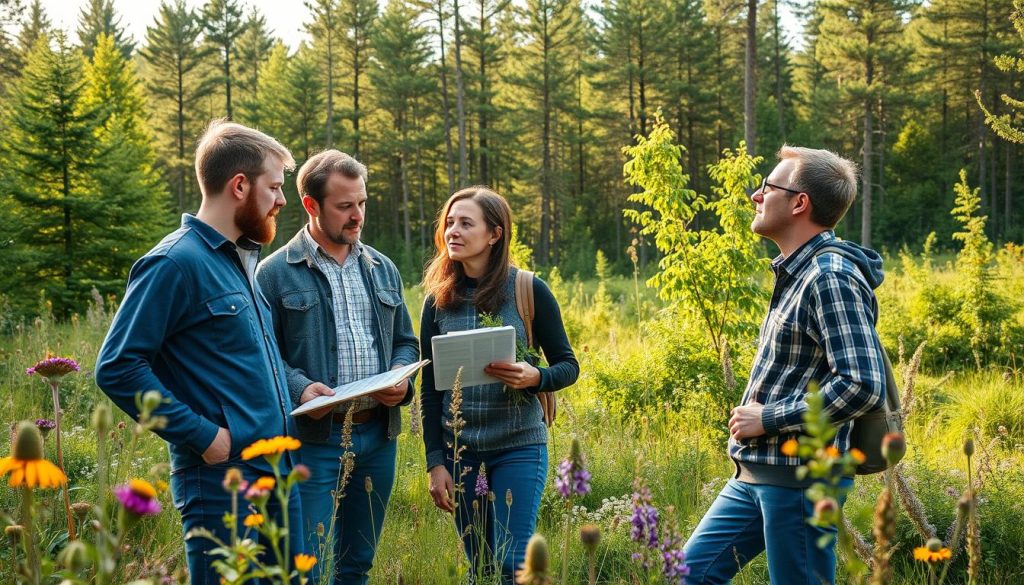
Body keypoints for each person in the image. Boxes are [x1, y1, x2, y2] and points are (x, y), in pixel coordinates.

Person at [95, 120, 303, 585]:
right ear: (240, 185)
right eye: (273, 187)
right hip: (221, 484)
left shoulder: (237, 261)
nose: (281, 200)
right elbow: (117, 366)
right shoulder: (173, 262)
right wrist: (205, 437)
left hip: (275, 474)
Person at [682, 146, 887, 584]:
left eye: (767, 187)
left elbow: (862, 384)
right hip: (759, 473)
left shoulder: (829, 276)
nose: (756, 196)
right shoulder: (800, 272)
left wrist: (768, 418)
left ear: (799, 203)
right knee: (685, 575)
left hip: (799, 480)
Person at [256, 150, 419, 585]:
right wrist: (300, 387)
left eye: (362, 203)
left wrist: (403, 381)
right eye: (345, 206)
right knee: (307, 567)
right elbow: (263, 354)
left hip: (378, 436)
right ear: (311, 206)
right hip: (314, 440)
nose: (357, 216)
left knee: (356, 564)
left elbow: (405, 340)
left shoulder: (382, 267)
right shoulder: (273, 275)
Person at [420, 186, 579, 583]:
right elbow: (429, 389)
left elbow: (568, 365)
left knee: (512, 564)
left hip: (519, 446)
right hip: (461, 453)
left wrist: (535, 377)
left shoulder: (528, 289)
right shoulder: (437, 301)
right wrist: (436, 463)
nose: (453, 231)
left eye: (465, 224)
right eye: (449, 223)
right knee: (481, 566)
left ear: (494, 234)